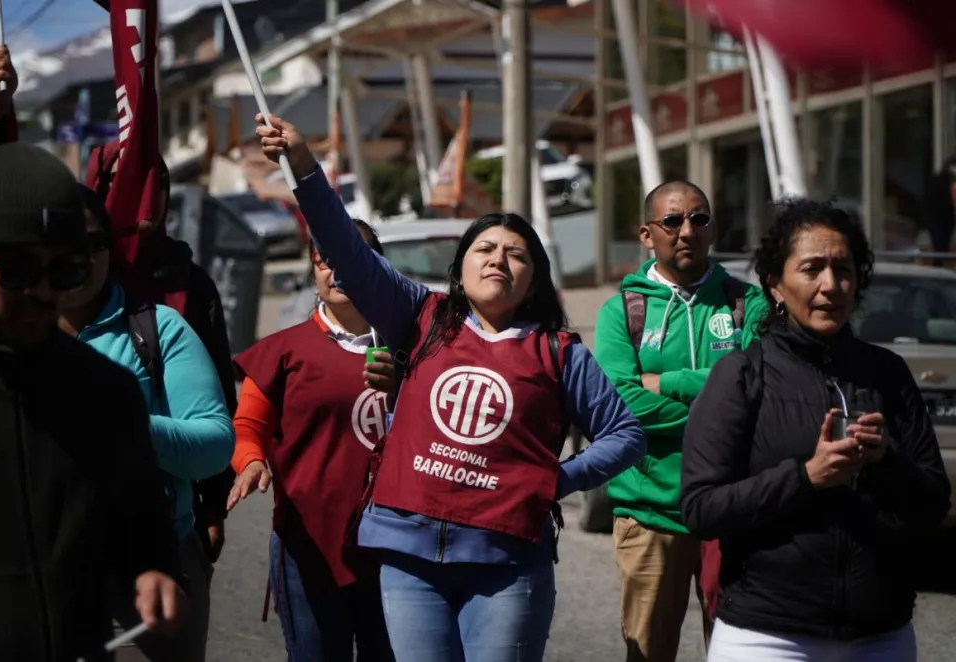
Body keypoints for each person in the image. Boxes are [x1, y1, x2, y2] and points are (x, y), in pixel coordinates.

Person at [256, 113, 648, 662]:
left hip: (509, 562)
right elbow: (347, 248)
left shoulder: (559, 352)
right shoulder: (421, 316)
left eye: (516, 254)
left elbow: (626, 435)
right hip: (410, 561)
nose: (498, 259)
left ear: (533, 278)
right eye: (485, 249)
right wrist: (302, 164)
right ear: (460, 265)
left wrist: (553, 481)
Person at [680, 198, 951, 661]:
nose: (830, 285)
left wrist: (887, 459)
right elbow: (701, 508)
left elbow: (933, 503)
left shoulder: (888, 374)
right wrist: (806, 477)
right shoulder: (742, 374)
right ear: (775, 284)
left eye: (843, 270)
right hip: (765, 636)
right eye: (812, 269)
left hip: (880, 636)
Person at [0, 142, 186, 660]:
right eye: (19, 270)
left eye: (65, 272)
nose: (44, 292)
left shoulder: (107, 392)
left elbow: (142, 523)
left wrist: (153, 570)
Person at [592, 180, 768, 662]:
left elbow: (757, 388)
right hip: (650, 516)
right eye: (672, 221)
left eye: (699, 219)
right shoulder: (620, 311)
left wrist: (663, 382)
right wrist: (720, 401)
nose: (687, 230)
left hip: (734, 514)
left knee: (741, 654)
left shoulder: (747, 304)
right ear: (646, 235)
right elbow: (620, 404)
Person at [60, 184, 235, 662]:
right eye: (65, 241)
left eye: (94, 242)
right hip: (36, 581)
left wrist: (128, 425)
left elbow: (215, 444)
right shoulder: (4, 338)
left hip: (145, 583)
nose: (80, 256)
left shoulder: (158, 328)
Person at [227, 220, 396, 662]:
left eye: (348, 257)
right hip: (309, 546)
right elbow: (248, 426)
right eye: (323, 261)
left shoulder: (412, 347)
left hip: (397, 548)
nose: (334, 271)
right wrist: (251, 461)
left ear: (375, 266)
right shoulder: (283, 350)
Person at [84, 141, 237, 565]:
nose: (147, 193)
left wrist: (213, 504)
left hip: (168, 518)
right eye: (127, 180)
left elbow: (218, 398)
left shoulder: (190, 282)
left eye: (159, 182)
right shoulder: (70, 287)